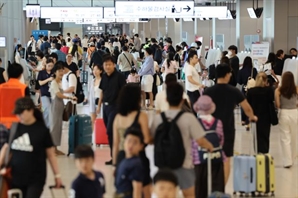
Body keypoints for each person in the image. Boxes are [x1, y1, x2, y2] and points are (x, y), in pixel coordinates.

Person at [150, 83, 213, 198]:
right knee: (189, 195)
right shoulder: (189, 118)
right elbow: (200, 141)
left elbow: (151, 139)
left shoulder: (158, 119)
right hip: (184, 164)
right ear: (182, 100)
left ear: (166, 99)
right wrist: (209, 146)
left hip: (163, 166)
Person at [204, 63, 257, 184]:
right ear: (227, 75)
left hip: (211, 130)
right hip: (227, 129)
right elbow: (247, 108)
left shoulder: (208, 91)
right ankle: (221, 187)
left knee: (212, 157)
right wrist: (252, 117)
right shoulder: (234, 91)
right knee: (226, 159)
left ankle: (212, 184)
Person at [0, 97, 62, 198]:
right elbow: (6, 148)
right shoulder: (15, 128)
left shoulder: (42, 131)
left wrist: (57, 176)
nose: (19, 116)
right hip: (16, 178)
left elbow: (51, 155)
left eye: (21, 113)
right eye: (17, 113)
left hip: (36, 179)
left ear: (31, 111)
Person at [113, 84, 151, 198]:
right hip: (138, 156)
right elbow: (147, 139)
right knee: (144, 190)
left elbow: (115, 144)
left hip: (121, 157)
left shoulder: (118, 117)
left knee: (125, 191)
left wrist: (115, 165)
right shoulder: (141, 116)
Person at [192, 95, 225, 198]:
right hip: (216, 157)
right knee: (217, 184)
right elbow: (221, 140)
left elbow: (193, 142)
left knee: (200, 185)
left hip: (199, 159)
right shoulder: (218, 122)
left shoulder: (195, 123)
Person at [97, 55, 126, 165]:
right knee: (109, 133)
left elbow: (124, 92)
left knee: (111, 131)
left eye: (109, 64)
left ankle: (117, 157)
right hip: (106, 107)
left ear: (114, 65)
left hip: (116, 107)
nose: (107, 66)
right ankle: (113, 156)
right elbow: (102, 92)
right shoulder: (104, 76)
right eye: (105, 64)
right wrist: (99, 106)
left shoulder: (120, 77)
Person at [247, 72, 275, 154]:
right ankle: (265, 152)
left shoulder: (251, 91)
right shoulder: (269, 90)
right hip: (266, 117)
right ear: (266, 80)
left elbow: (249, 105)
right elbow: (271, 101)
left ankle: (257, 151)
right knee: (265, 135)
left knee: (256, 136)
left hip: (255, 116)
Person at [274, 71, 298, 168]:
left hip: (284, 113)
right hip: (295, 113)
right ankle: (293, 158)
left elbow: (278, 105)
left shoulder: (278, 90)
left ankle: (287, 161)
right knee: (294, 137)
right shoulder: (296, 89)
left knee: (285, 138)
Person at [115, 129, 144, 198]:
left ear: (141, 146)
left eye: (135, 143)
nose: (131, 145)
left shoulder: (136, 164)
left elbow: (137, 191)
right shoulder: (124, 160)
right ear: (124, 142)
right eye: (129, 141)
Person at [0, 63, 30, 129]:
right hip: (18, 123)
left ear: (8, 73)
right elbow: (28, 107)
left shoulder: (1, 87)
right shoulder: (24, 88)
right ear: (20, 75)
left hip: (2, 123)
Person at [237, 56, 258, 129]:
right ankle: (249, 119)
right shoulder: (254, 70)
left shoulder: (241, 71)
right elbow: (257, 79)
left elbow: (239, 81)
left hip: (244, 89)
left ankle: (244, 120)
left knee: (243, 104)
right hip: (253, 89)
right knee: (251, 104)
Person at [38, 58, 54, 128]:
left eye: (51, 66)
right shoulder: (41, 73)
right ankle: (47, 126)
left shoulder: (54, 73)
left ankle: (50, 125)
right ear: (46, 65)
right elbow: (40, 83)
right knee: (47, 109)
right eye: (49, 66)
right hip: (44, 94)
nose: (50, 67)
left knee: (52, 110)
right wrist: (48, 79)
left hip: (53, 94)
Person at [88, 64, 103, 132]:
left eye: (97, 69)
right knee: (92, 120)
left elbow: (103, 93)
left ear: (100, 71)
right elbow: (90, 92)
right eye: (94, 69)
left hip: (100, 103)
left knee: (100, 120)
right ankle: (95, 137)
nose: (95, 71)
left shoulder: (102, 81)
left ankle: (100, 136)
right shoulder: (92, 81)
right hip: (92, 102)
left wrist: (99, 105)